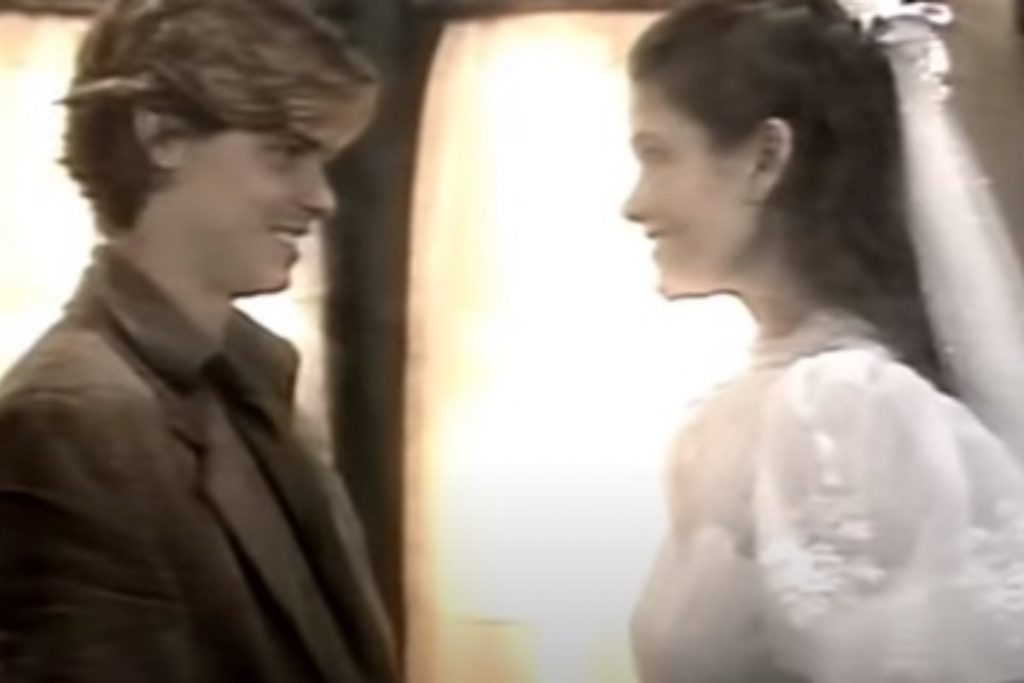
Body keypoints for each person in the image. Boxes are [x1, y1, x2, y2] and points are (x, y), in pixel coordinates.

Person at [623, 0, 1024, 681]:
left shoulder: (840, 409)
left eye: (657, 155)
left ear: (766, 159)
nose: (634, 203)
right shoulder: (740, 414)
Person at [0, 0, 398, 681]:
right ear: (162, 136)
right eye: (285, 154)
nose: (321, 198)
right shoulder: (76, 416)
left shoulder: (250, 383)